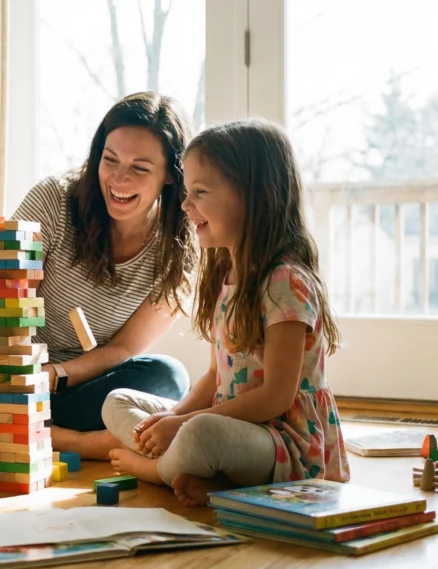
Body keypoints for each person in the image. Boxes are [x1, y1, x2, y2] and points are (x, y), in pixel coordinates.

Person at [0, 92, 197, 459]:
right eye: (110, 160)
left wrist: (52, 376)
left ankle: (8, 434)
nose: (119, 179)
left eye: (140, 168)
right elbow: (10, 292)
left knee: (167, 376)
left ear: (171, 176)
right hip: (18, 378)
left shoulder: (179, 252)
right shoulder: (55, 199)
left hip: (86, 382)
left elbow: (123, 350)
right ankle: (56, 435)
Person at [101, 118, 350, 507]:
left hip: (286, 444)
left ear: (254, 196)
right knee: (116, 400)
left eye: (199, 192)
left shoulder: (285, 282)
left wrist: (182, 425)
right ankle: (208, 476)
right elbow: (217, 375)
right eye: (186, 192)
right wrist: (171, 419)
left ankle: (156, 470)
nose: (185, 205)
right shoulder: (228, 274)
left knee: (200, 434)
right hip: (233, 428)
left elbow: (275, 398)